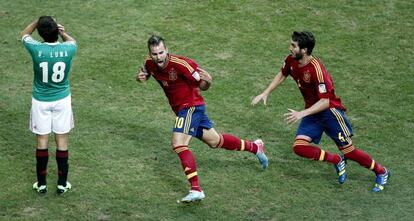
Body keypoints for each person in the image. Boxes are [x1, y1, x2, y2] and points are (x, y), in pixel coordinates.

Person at [251, 31, 389, 192]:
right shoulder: (291, 60)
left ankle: (381, 171)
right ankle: (336, 160)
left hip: (330, 113)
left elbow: (325, 101)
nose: (290, 48)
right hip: (312, 113)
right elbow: (283, 73)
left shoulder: (317, 70)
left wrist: (302, 113)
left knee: (349, 151)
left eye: (293, 46)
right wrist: (266, 92)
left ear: (304, 50)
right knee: (299, 147)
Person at [136, 35, 268, 203]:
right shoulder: (149, 63)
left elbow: (203, 85)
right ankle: (255, 147)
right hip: (183, 110)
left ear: (167, 50)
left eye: (161, 52)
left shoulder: (182, 64)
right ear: (150, 53)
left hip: (191, 107)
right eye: (154, 54)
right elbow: (147, 73)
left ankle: (196, 189)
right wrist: (141, 77)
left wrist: (209, 82)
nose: (158, 57)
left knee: (178, 143)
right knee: (215, 141)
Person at [21, 16, 77, 194]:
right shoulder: (69, 48)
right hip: (62, 100)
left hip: (40, 101)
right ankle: (62, 184)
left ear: (41, 33)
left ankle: (42, 184)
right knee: (62, 140)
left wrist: (37, 22)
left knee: (42, 140)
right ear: (56, 30)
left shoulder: (36, 49)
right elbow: (72, 40)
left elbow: (24, 34)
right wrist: (62, 32)